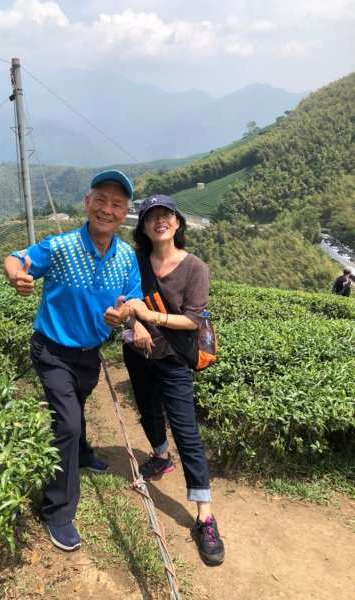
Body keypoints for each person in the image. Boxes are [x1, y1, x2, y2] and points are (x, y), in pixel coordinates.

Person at [4, 170, 142, 552]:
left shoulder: (126, 256)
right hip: (51, 349)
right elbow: (15, 259)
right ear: (87, 203)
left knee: (76, 406)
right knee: (64, 421)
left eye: (116, 204)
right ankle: (58, 511)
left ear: (124, 212)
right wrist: (17, 277)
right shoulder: (61, 246)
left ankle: (81, 454)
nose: (107, 209)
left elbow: (135, 300)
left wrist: (126, 314)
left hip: (89, 353)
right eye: (101, 199)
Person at [105, 194, 225, 566]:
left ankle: (205, 514)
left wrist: (151, 319)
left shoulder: (194, 268)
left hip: (172, 357)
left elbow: (193, 320)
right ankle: (160, 456)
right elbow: (125, 301)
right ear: (143, 226)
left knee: (186, 429)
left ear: (177, 223)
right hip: (137, 352)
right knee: (147, 409)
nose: (159, 221)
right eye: (151, 216)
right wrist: (133, 321)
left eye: (166, 215)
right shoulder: (135, 262)